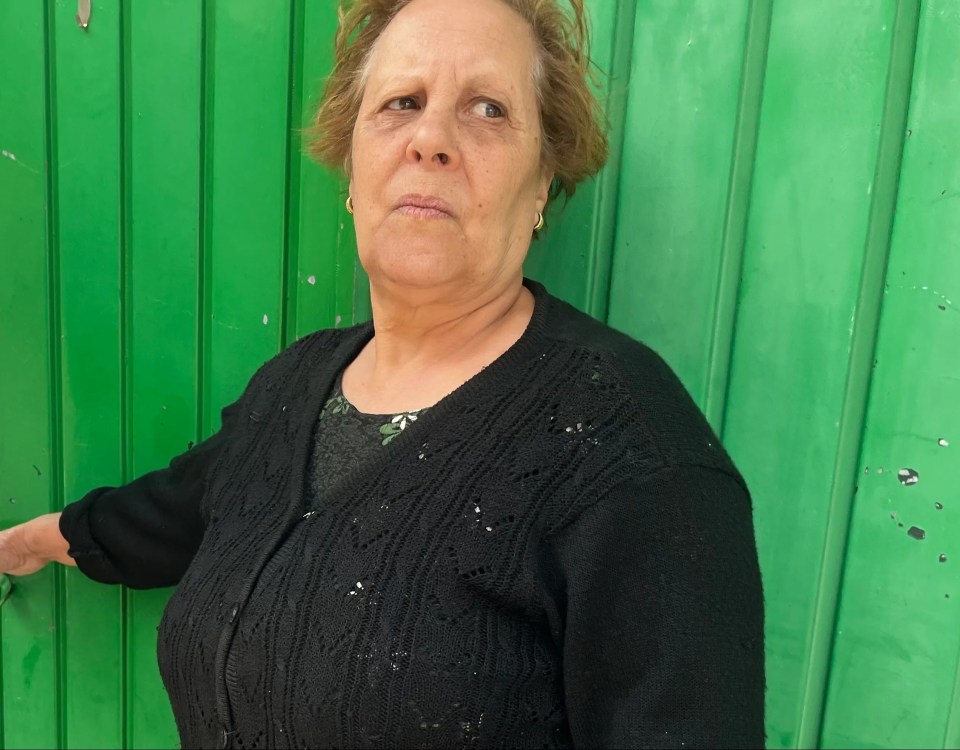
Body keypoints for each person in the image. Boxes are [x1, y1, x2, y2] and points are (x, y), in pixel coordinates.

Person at [0, 0, 766, 747]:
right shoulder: (293, 387)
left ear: (541, 184)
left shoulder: (628, 447)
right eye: (402, 102)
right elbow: (183, 511)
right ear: (353, 169)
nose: (431, 138)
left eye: (489, 110)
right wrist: (33, 540)